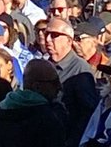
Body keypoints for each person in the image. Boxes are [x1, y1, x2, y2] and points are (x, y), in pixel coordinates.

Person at [41, 17, 98, 147]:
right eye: (46, 34)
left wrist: (71, 142)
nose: (48, 39)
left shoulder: (80, 70)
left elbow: (87, 114)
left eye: (54, 35)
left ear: (69, 40)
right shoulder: (43, 65)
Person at [0, 58, 71, 147]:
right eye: (54, 82)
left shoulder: (1, 111)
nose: (59, 87)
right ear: (37, 86)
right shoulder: (47, 118)